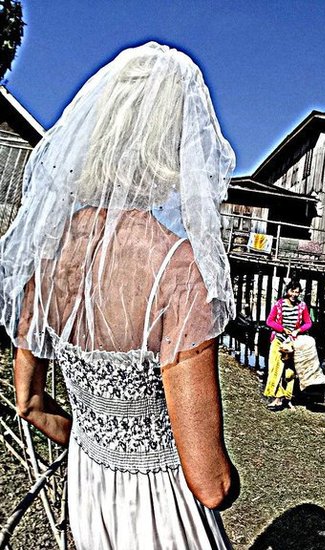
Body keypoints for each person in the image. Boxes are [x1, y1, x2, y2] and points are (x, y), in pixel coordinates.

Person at [4, 42, 239, 548]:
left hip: (89, 497)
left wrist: (96, 446)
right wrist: (227, 480)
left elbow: (28, 403)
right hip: (162, 517)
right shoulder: (180, 271)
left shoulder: (49, 256)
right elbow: (210, 484)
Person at [264, 280, 313, 410]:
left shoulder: (302, 306)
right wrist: (282, 329)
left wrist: (298, 330)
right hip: (279, 340)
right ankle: (277, 398)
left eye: (297, 292)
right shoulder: (279, 304)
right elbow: (269, 321)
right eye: (292, 291)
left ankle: (288, 398)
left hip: (292, 343)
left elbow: (308, 323)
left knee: (289, 372)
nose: (294, 294)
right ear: (287, 291)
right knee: (275, 369)